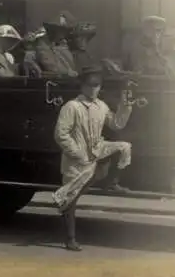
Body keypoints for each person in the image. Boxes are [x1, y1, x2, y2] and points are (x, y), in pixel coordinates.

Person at [52, 67, 134, 251]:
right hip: (76, 159)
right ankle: (70, 238)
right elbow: (61, 134)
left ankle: (111, 181)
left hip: (95, 151)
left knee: (123, 147)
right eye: (89, 85)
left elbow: (116, 124)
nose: (93, 89)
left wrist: (125, 106)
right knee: (70, 200)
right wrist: (78, 153)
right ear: (82, 86)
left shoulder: (101, 106)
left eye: (97, 85)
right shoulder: (72, 106)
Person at [36, 11, 78, 77]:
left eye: (67, 30)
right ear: (53, 29)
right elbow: (50, 65)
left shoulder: (62, 43)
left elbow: (71, 62)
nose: (65, 34)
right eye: (62, 30)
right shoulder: (43, 44)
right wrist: (66, 72)